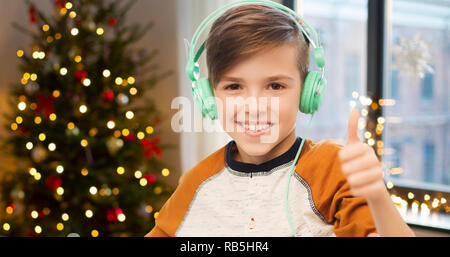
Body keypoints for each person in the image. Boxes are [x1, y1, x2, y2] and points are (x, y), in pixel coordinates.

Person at [145, 2, 414, 237]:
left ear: (307, 92)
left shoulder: (333, 171)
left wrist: (377, 197)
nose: (254, 107)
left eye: (275, 86)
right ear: (209, 97)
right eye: (234, 87)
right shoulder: (196, 182)